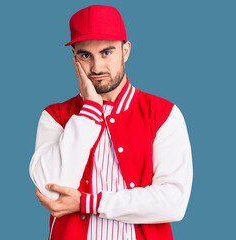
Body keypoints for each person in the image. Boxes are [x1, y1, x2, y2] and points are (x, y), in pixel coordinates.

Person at [29, 5, 193, 240]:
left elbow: (173, 202)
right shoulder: (55, 116)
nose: (96, 68)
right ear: (74, 58)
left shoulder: (164, 114)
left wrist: (87, 203)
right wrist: (91, 110)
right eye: (85, 55)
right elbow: (50, 192)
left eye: (107, 52)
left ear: (125, 51)